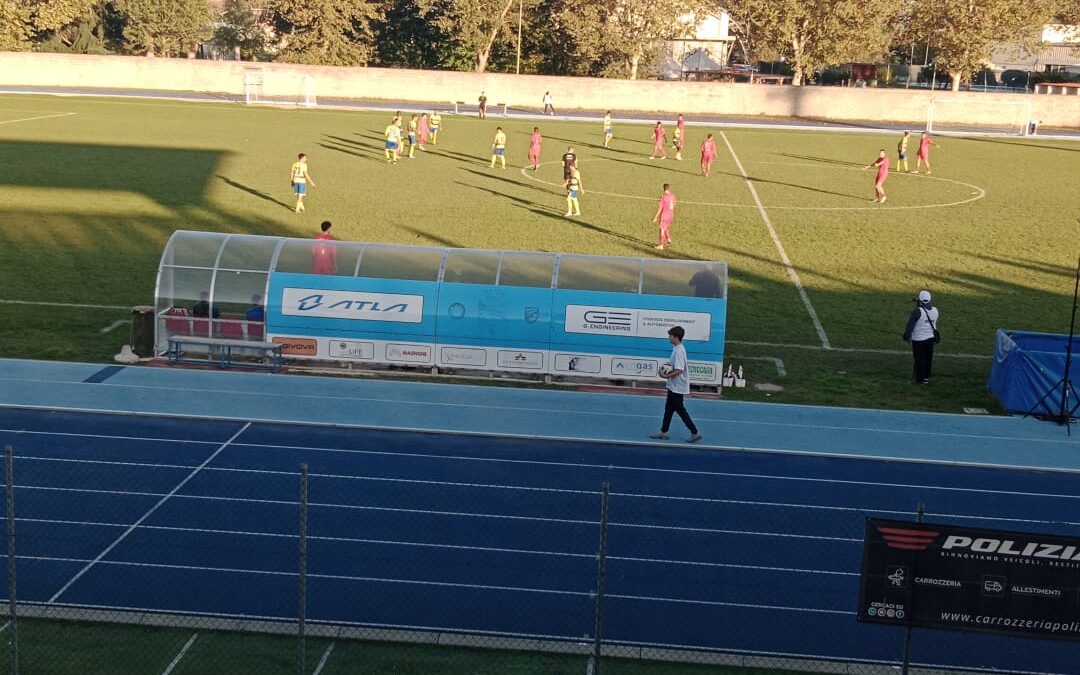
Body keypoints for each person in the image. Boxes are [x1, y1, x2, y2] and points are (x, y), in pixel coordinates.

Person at [650, 326, 702, 443]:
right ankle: (664, 431)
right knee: (668, 409)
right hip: (673, 386)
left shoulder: (679, 351)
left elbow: (679, 370)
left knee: (680, 410)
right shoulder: (677, 348)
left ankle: (695, 432)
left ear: (676, 337)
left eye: (670, 335)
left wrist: (666, 376)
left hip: (677, 387)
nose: (669, 337)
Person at [902, 290, 940, 384]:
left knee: (919, 359)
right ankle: (926, 377)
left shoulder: (917, 311)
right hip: (930, 338)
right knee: (928, 358)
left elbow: (910, 325)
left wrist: (907, 336)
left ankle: (919, 379)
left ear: (920, 300)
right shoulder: (935, 310)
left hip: (918, 340)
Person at [651, 183, 676, 250]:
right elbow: (674, 205)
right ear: (668, 188)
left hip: (664, 215)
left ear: (663, 188)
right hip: (671, 215)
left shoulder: (663, 197)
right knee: (665, 227)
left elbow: (660, 208)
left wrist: (655, 217)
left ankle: (661, 245)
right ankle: (669, 240)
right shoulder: (673, 196)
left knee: (662, 229)